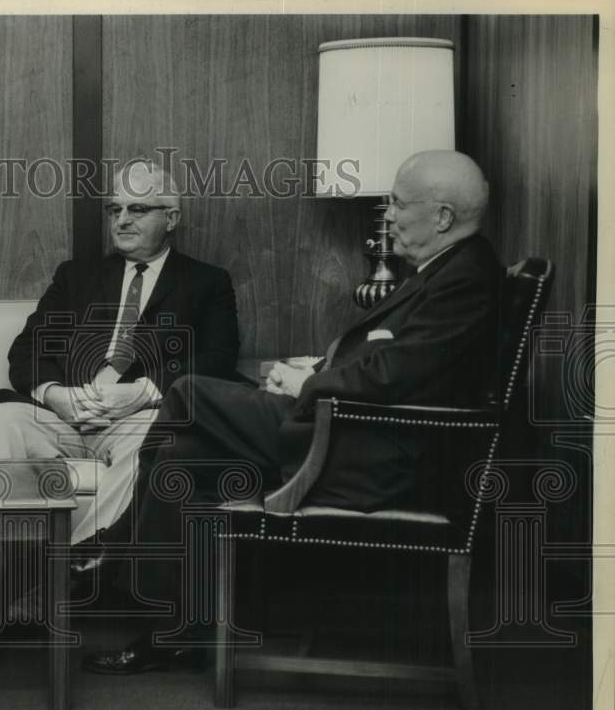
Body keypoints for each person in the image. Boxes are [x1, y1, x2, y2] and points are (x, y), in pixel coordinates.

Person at [83, 150, 504, 674]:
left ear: (442, 217)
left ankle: (117, 550)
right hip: (355, 435)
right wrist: (318, 364)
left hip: (370, 457)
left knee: (189, 392)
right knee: (180, 457)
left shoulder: (465, 278)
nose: (388, 214)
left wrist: (309, 382)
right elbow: (395, 359)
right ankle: (176, 629)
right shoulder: (448, 270)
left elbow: (393, 373)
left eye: (397, 203)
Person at [0, 160, 241, 658]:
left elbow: (217, 361)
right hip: (64, 416)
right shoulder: (78, 275)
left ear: (171, 218)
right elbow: (26, 351)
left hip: (135, 417)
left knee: (164, 434)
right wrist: (53, 394)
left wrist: (146, 391)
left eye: (138, 209)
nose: (122, 220)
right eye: (115, 210)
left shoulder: (206, 282)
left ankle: (62, 577)